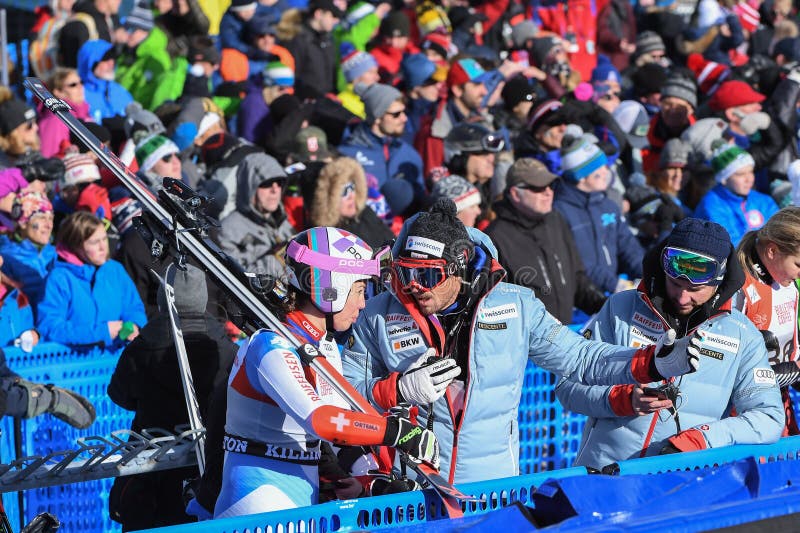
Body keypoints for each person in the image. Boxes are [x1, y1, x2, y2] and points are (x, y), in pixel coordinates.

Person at [341, 199, 702, 485]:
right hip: (410, 487)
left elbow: (581, 359)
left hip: (490, 486)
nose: (413, 285)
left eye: (427, 274)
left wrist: (652, 362)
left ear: (458, 266)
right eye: (405, 271)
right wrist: (397, 390)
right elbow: (344, 395)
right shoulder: (378, 311)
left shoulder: (515, 305)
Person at [214, 227, 439, 517]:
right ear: (327, 288)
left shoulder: (325, 347)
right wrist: (395, 432)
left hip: (299, 496)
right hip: (258, 499)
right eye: (359, 290)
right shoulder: (269, 345)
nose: (362, 302)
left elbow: (341, 429)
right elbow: (321, 420)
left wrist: (369, 482)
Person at [555, 218, 783, 469]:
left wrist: (701, 439)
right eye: (675, 284)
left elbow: (768, 417)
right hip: (605, 473)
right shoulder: (620, 308)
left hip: (682, 481)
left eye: (695, 288)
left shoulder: (742, 334)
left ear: (718, 282)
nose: (683, 297)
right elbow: (567, 386)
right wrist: (621, 399)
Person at [108, 264, 237, 530]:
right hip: (210, 461)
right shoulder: (226, 347)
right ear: (203, 300)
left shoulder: (143, 346)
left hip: (152, 460)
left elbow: (120, 394)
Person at [486, 158, 606, 325]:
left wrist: (606, 307)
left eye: (551, 186)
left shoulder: (556, 221)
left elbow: (577, 280)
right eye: (539, 188)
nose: (548, 192)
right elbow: (493, 307)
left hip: (564, 337)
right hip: (526, 345)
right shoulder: (495, 238)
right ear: (515, 193)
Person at [37, 211, 146, 349]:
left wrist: (135, 324)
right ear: (76, 246)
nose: (103, 247)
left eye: (104, 239)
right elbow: (50, 328)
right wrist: (101, 332)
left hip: (117, 359)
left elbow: (134, 307)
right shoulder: (59, 278)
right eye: (94, 242)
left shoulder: (115, 270)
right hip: (76, 364)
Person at [735, 207, 800, 436]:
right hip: (742, 417)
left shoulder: (789, 284)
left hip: (780, 406)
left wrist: (794, 370)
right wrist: (788, 371)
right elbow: (723, 371)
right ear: (772, 251)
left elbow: (793, 350)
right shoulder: (739, 288)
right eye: (798, 265)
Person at [553, 136, 644, 294]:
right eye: (598, 167)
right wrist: (615, 285)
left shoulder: (607, 205)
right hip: (582, 300)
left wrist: (647, 274)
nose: (605, 171)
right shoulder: (559, 211)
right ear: (581, 176)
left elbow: (629, 247)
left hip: (611, 292)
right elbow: (579, 261)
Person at [217, 152, 295, 278]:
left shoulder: (283, 221)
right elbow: (236, 279)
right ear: (249, 186)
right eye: (267, 183)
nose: (275, 190)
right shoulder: (228, 230)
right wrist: (278, 258)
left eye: (279, 183)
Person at [694, 142, 778, 246]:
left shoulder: (764, 201)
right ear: (724, 178)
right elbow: (729, 244)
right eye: (741, 174)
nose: (749, 179)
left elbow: (779, 233)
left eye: (751, 172)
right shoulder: (711, 205)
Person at [0, 192, 56, 315]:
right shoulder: (6, 258)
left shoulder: (55, 254)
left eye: (51, 218)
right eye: (41, 218)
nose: (49, 225)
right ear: (23, 223)